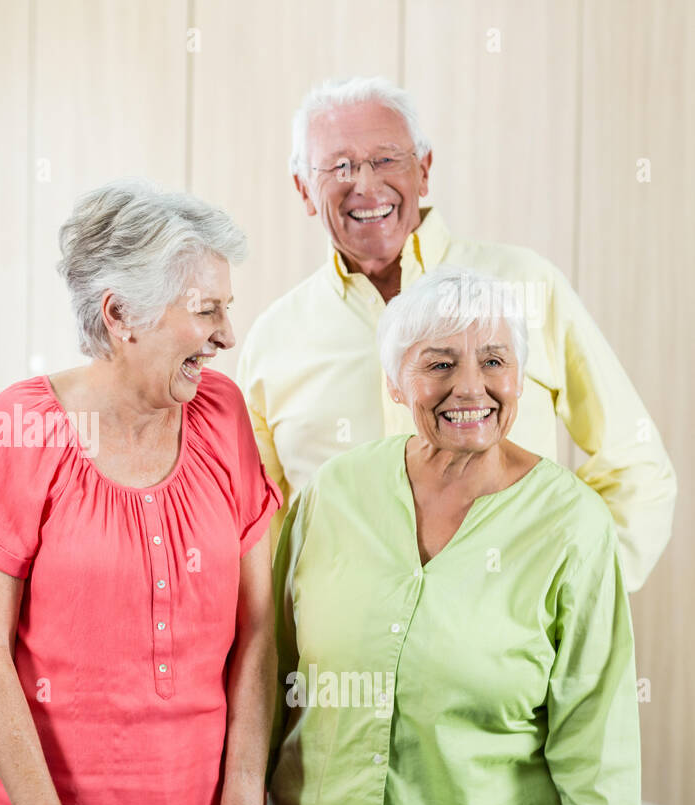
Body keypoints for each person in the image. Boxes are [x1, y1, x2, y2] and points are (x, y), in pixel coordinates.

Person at [0, 181, 280, 805]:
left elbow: (262, 629)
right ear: (122, 313)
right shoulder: (24, 427)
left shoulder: (222, 415)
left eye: (227, 309)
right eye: (206, 310)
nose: (226, 335)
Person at [235, 75, 675, 592]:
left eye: (387, 159)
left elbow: (635, 464)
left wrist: (580, 600)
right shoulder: (273, 337)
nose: (366, 185)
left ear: (423, 171)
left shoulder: (526, 284)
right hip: (342, 663)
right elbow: (252, 528)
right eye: (340, 166)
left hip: (511, 660)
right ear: (303, 189)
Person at [267, 266, 642, 805]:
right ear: (395, 382)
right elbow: (274, 668)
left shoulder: (571, 523)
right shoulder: (334, 492)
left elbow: (598, 744)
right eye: (439, 364)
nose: (470, 388)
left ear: (520, 377)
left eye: (494, 361)